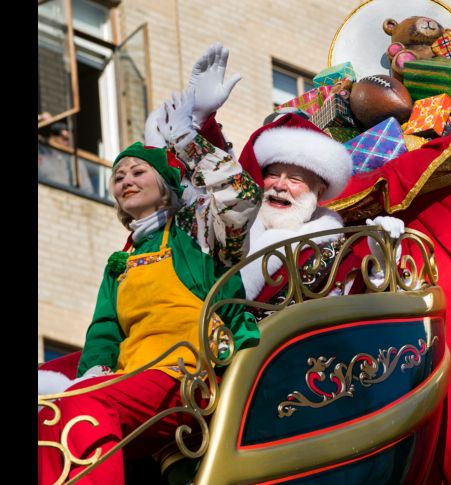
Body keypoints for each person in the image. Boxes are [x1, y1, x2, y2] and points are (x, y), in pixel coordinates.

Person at [37, 82, 260, 484]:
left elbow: (240, 197)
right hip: (131, 387)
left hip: (188, 379)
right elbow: (103, 332)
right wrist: (93, 373)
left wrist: (188, 140)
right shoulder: (120, 263)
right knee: (54, 414)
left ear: (164, 186)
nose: (126, 180)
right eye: (119, 177)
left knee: (81, 405)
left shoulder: (193, 234)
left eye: (138, 171)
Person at [236, 113, 404, 309]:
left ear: (319, 191)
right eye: (272, 175)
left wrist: (384, 265)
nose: (280, 185)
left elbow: (367, 312)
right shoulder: (231, 230)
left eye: (295, 179)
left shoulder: (333, 254)